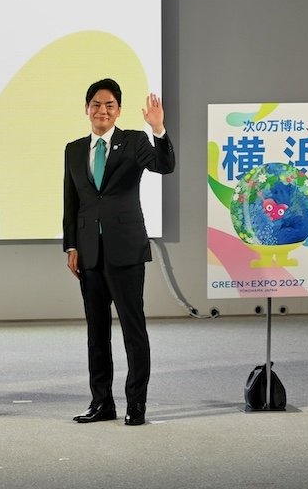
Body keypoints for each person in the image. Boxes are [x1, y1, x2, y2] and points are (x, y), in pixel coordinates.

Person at [62, 78, 175, 426]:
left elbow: (164, 165)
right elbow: (71, 202)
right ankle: (102, 403)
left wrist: (158, 129)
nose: (102, 110)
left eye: (109, 105)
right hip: (89, 253)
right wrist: (71, 245)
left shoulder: (135, 141)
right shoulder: (74, 149)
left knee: (132, 330)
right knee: (96, 333)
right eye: (96, 104)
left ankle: (136, 403)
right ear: (86, 108)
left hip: (125, 250)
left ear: (119, 110)